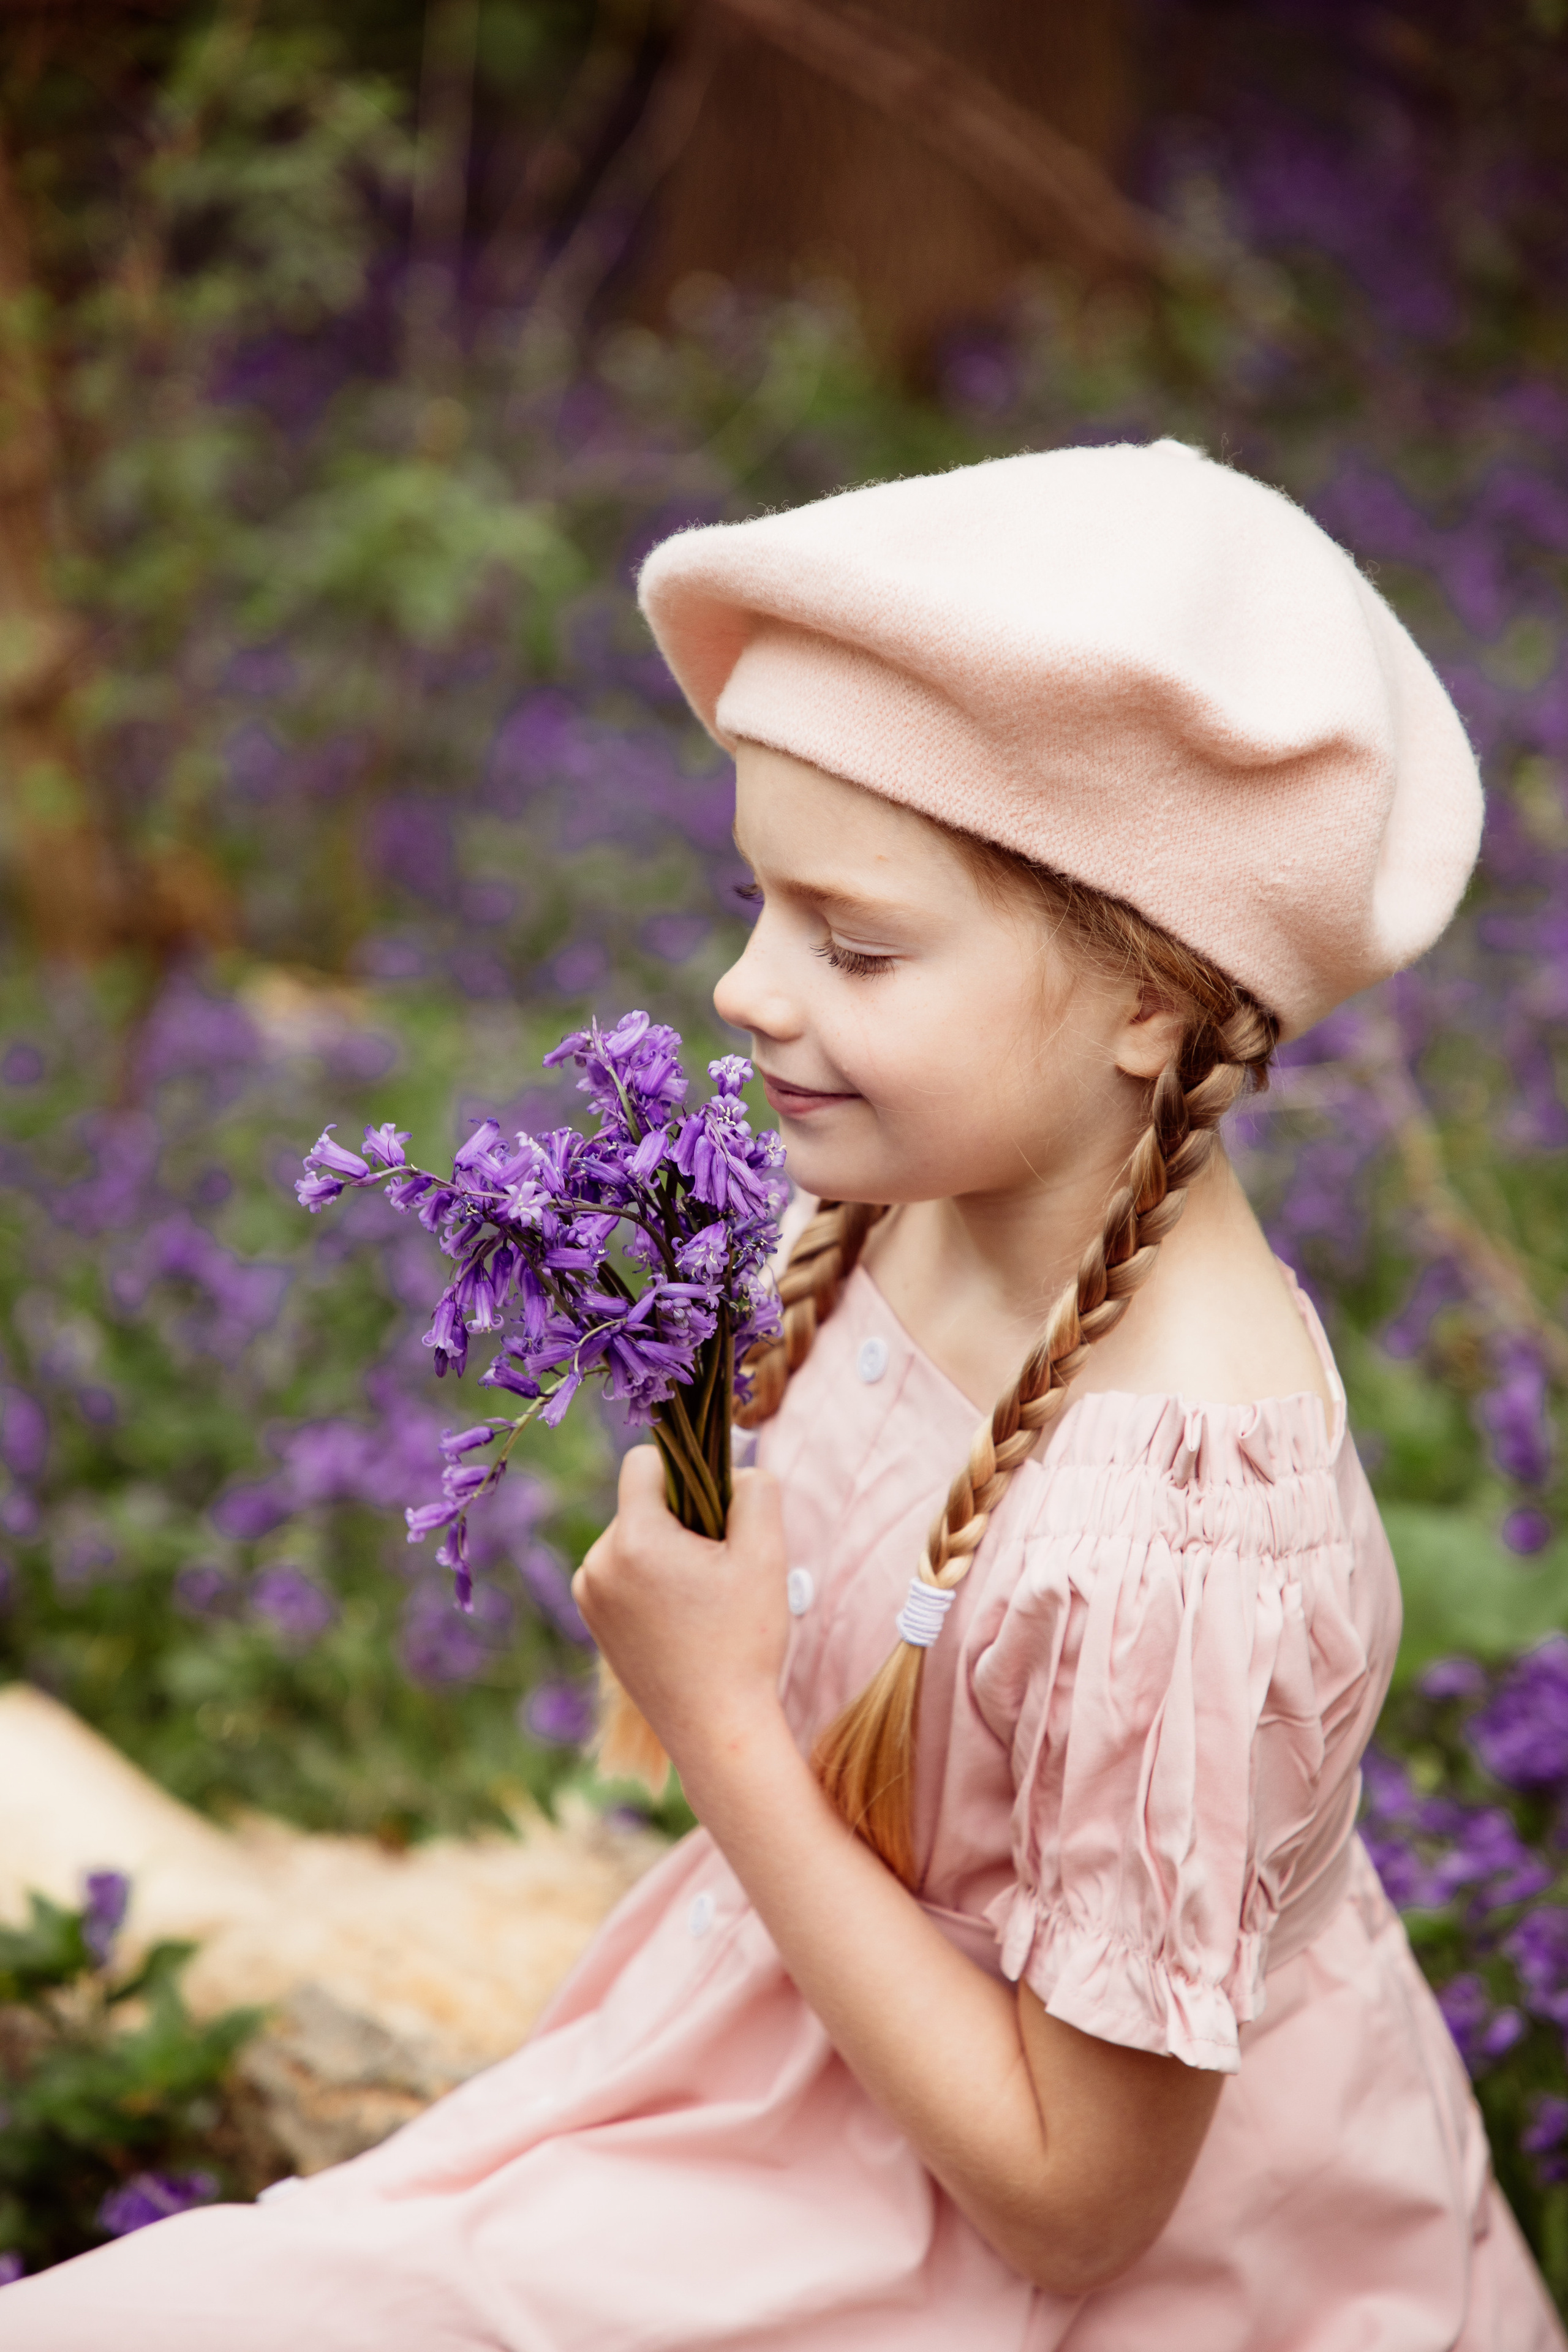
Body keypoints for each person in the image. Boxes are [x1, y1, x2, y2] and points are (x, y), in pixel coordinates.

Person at [8, 439, 1562, 2350]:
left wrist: (718, 1719)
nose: (746, 991)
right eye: (756, 902)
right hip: (797, 2074)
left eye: (855, 941)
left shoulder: (1180, 1519)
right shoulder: (908, 1215)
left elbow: (1083, 2210)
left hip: (1040, 2261)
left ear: (1154, 996)